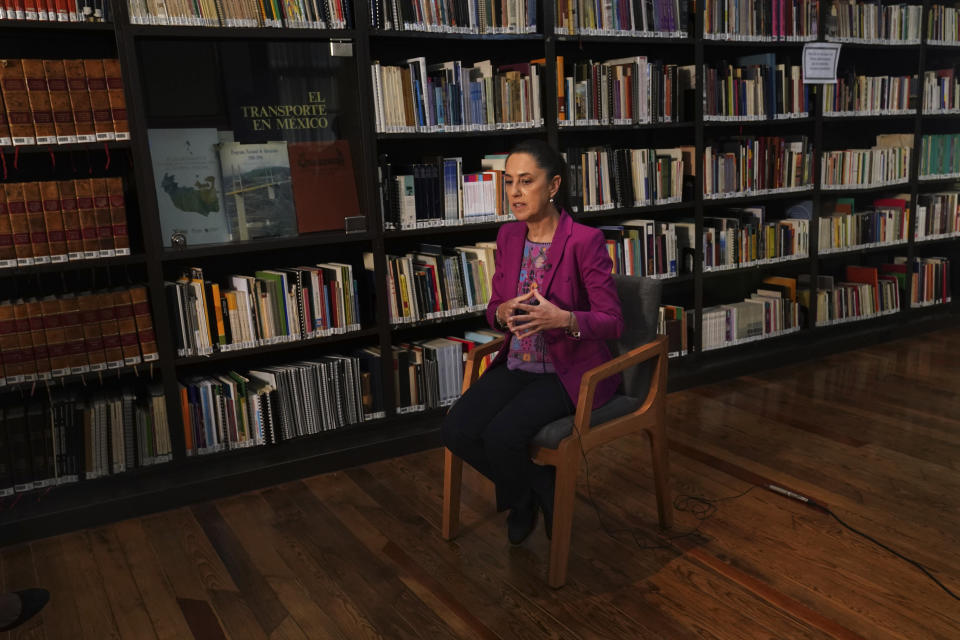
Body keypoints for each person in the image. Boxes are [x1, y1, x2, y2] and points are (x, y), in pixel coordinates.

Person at [441, 139, 624, 545]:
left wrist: (565, 318)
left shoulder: (584, 241)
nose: (515, 193)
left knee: (502, 436)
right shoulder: (508, 237)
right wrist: (501, 313)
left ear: (554, 185)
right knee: (457, 429)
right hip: (517, 362)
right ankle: (537, 487)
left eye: (526, 181)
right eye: (509, 183)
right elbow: (493, 308)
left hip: (565, 371)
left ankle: (522, 502)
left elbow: (612, 322)